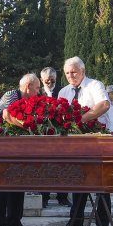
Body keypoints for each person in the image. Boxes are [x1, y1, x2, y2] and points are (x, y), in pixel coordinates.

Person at [57, 56, 110, 226]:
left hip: (96, 140)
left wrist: (80, 120)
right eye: (67, 73)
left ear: (83, 71)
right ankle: (76, 222)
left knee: (100, 182)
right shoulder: (63, 91)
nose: (70, 75)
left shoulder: (95, 85)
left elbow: (104, 104)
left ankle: (102, 224)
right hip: (73, 143)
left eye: (74, 72)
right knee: (76, 180)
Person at [0, 73, 41, 226]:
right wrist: (31, 128)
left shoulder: (30, 100)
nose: (39, 91)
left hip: (19, 147)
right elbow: (7, 116)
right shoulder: (10, 95)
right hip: (3, 145)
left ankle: (14, 221)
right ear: (28, 87)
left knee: (19, 183)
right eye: (37, 87)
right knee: (3, 186)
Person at [38, 67, 70, 208]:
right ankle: (44, 196)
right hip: (43, 134)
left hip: (60, 134)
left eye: (53, 80)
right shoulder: (38, 93)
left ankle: (62, 196)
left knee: (62, 164)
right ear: (41, 80)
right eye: (47, 81)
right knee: (44, 165)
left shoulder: (63, 91)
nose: (50, 83)